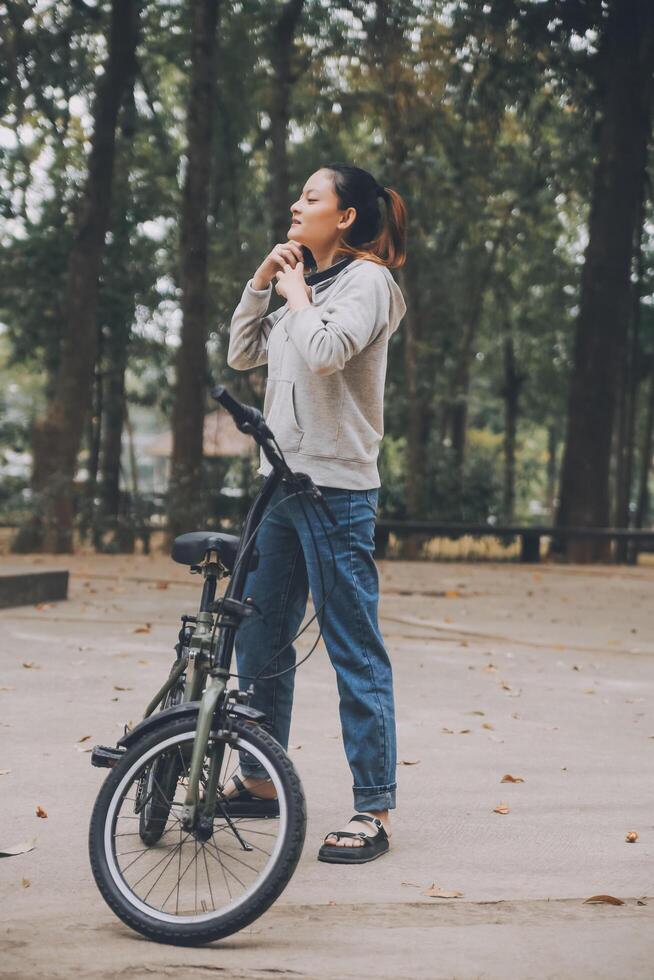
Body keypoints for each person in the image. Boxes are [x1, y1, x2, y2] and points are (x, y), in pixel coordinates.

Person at [224, 162, 408, 863]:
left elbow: (327, 353)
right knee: (260, 640)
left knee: (352, 647)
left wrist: (296, 295)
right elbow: (245, 352)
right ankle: (261, 781)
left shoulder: (369, 284)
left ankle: (376, 809)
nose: (294, 206)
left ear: (347, 216)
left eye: (310, 197)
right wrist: (261, 284)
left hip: (336, 491)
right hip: (279, 485)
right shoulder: (306, 284)